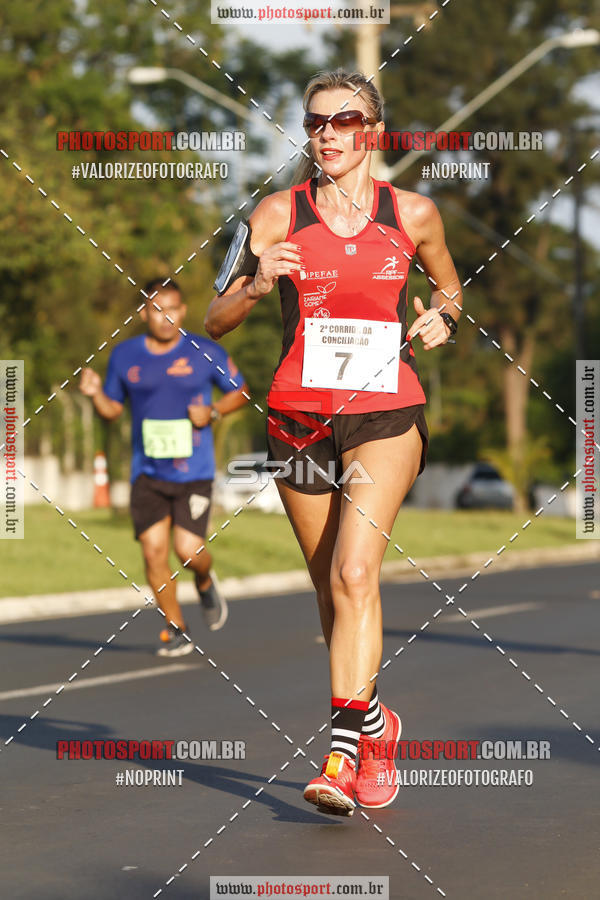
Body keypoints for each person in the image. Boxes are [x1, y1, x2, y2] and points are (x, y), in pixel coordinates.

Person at [205, 69, 461, 815]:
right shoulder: (275, 214)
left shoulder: (413, 214)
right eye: (316, 121)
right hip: (297, 416)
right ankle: (376, 723)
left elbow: (450, 288)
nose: (327, 133)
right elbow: (214, 321)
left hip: (387, 412)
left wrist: (443, 318)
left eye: (344, 120)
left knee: (355, 574)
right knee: (329, 589)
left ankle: (341, 755)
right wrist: (256, 287)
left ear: (372, 131)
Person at [80, 279, 248, 656]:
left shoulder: (203, 352)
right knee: (154, 553)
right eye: (157, 309)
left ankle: (204, 580)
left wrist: (215, 411)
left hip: (194, 471)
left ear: (183, 311)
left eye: (172, 308)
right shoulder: (125, 356)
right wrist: (94, 395)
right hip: (147, 472)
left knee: (187, 550)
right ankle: (177, 628)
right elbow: (112, 410)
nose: (165, 317)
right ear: (144, 313)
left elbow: (243, 391)